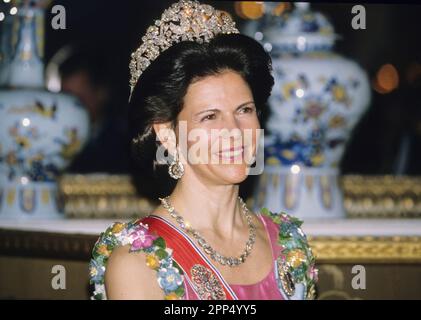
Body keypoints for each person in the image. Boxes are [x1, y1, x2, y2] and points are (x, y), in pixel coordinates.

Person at [89, 0, 317, 300]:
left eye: (244, 110)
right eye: (210, 116)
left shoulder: (288, 244)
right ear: (168, 134)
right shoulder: (138, 263)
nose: (235, 131)